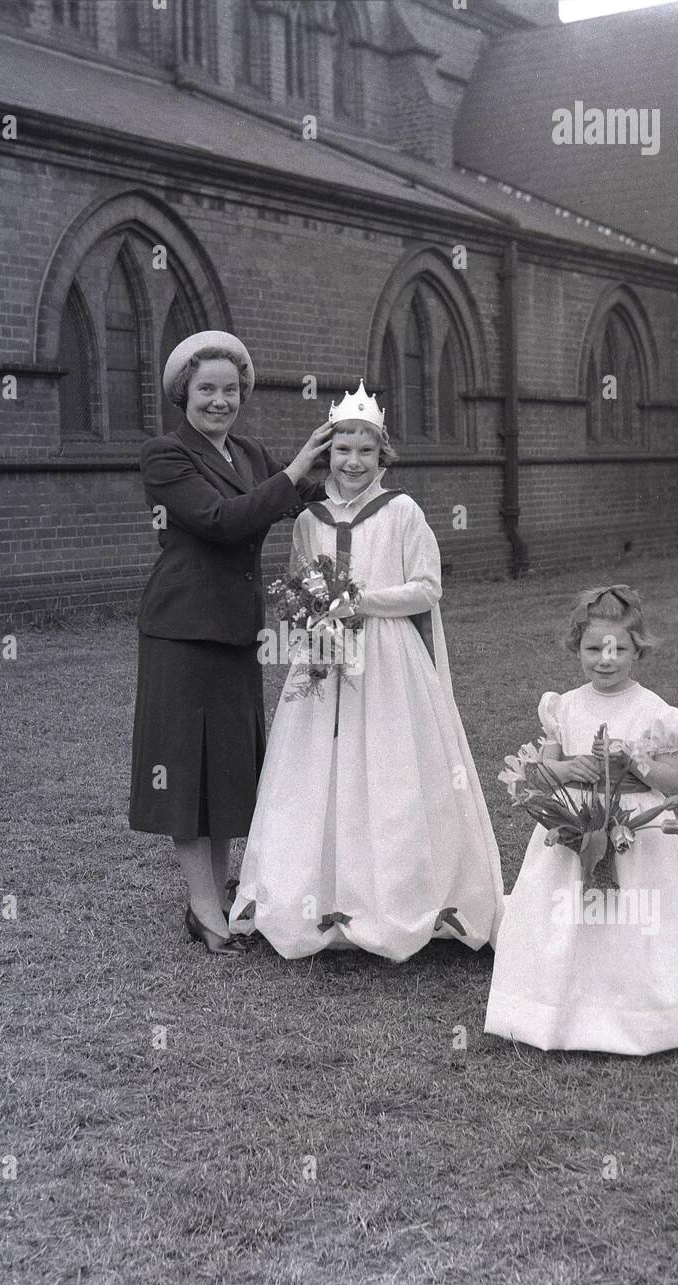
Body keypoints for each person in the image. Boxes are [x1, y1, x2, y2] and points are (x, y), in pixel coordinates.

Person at [229, 382, 504, 962]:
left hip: (388, 657)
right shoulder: (308, 519)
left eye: (366, 452)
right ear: (327, 456)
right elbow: (301, 581)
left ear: (383, 457)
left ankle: (399, 898)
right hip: (324, 658)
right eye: (342, 452)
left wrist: (360, 600)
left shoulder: (402, 511)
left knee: (388, 760)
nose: (353, 463)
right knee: (317, 764)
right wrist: (314, 616)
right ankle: (318, 895)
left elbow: (427, 588)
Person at [129, 330, 330, 956]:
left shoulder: (248, 452)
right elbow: (223, 522)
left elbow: (308, 503)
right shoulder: (165, 456)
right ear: (183, 394)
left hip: (237, 630)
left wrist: (358, 470)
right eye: (206, 389)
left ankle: (217, 894)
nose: (220, 401)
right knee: (186, 767)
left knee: (225, 766)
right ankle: (203, 908)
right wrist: (293, 472)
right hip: (183, 631)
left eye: (230, 390)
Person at [484, 584, 678, 1053]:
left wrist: (634, 760)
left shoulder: (652, 711)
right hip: (572, 826)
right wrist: (567, 767)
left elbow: (670, 781)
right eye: (593, 648)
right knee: (572, 917)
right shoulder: (564, 706)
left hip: (637, 833)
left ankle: (645, 1015)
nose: (605, 659)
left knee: (635, 919)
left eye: (618, 648)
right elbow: (542, 773)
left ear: (636, 650)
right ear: (576, 647)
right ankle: (559, 1012)